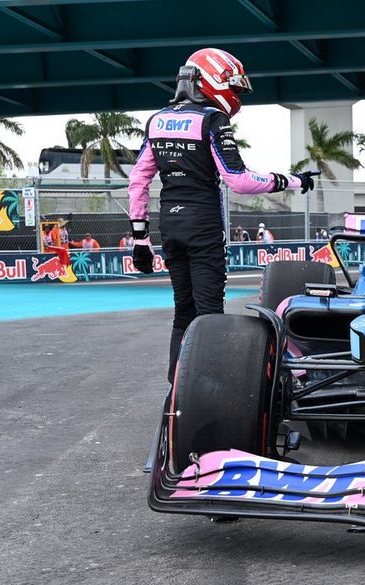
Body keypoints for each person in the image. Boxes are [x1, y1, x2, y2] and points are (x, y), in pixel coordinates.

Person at [127, 47, 317, 383]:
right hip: (203, 226)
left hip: (169, 225)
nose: (234, 94)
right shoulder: (213, 120)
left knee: (183, 311)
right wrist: (290, 180)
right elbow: (238, 180)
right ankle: (208, 392)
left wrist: (140, 239)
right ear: (211, 79)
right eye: (231, 85)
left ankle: (176, 390)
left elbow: (138, 179)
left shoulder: (157, 121)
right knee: (210, 314)